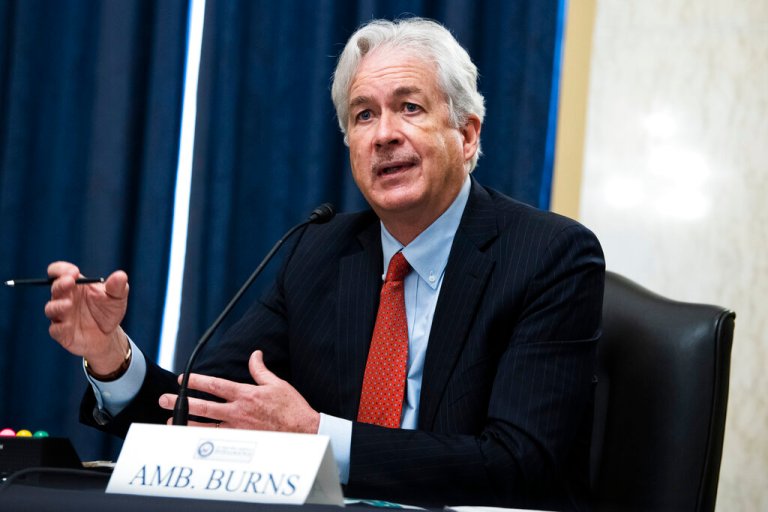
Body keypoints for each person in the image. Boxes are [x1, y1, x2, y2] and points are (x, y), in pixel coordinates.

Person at [45, 18, 604, 510]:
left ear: (466, 134)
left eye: (410, 107)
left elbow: (524, 465)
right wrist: (110, 356)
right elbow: (204, 413)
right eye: (364, 115)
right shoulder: (323, 249)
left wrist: (315, 435)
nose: (385, 134)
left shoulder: (548, 256)